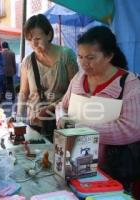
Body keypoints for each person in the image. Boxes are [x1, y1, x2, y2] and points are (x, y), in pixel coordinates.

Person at [56, 26, 140, 198]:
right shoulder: (79, 78)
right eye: (80, 57)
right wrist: (62, 118)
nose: (83, 63)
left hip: (113, 169)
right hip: (75, 163)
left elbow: (131, 128)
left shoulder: (130, 84)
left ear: (109, 56)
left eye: (91, 58)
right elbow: (62, 105)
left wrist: (83, 129)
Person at [16, 14, 78, 141]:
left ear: (49, 35)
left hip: (61, 121)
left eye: (38, 38)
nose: (33, 43)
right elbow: (23, 92)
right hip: (36, 121)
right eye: (29, 39)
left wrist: (50, 108)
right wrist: (18, 117)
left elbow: (75, 92)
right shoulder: (27, 62)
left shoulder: (66, 56)